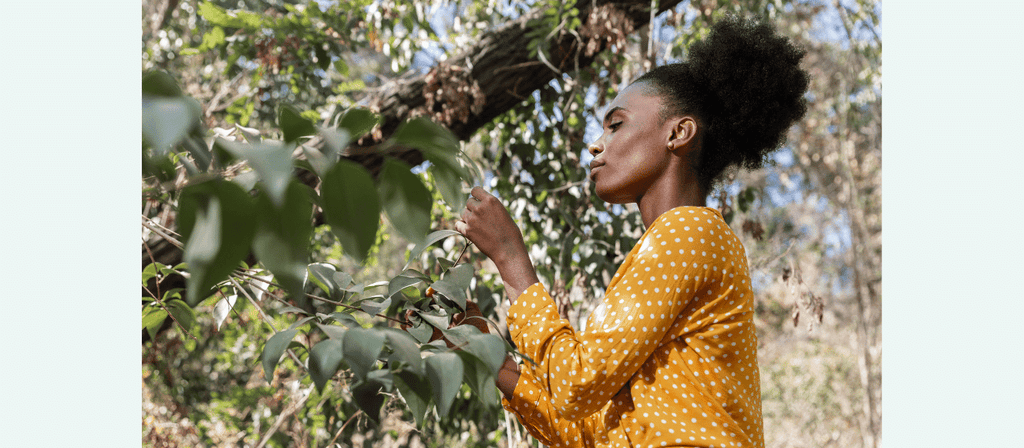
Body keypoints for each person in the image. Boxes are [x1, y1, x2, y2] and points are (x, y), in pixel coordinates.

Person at [453, 15, 809, 448]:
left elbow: (574, 385)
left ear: (679, 133)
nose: (595, 143)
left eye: (615, 124)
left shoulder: (689, 233)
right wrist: (481, 348)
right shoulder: (672, 247)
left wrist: (511, 261)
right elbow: (587, 432)